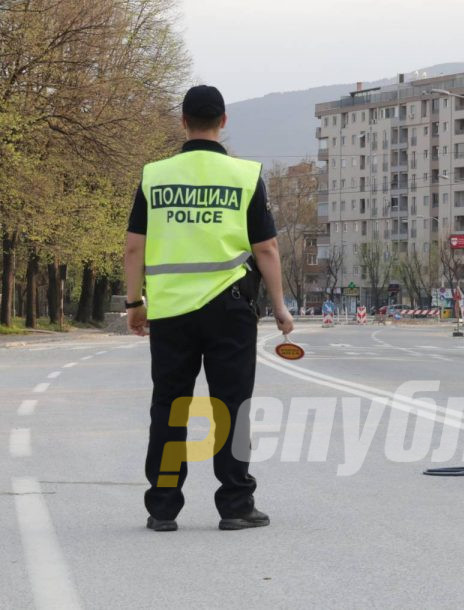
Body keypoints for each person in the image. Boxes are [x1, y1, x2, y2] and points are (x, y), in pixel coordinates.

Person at [124, 85, 294, 532]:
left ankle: (162, 507)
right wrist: (279, 306)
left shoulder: (154, 176)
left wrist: (134, 303)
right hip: (230, 309)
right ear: (223, 121)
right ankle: (236, 505)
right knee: (231, 408)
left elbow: (133, 246)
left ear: (183, 122)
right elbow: (268, 248)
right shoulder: (244, 176)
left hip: (171, 311)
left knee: (169, 407)